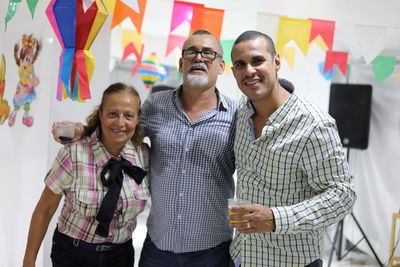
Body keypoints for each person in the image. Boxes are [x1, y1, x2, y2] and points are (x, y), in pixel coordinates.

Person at [52, 30, 237, 267]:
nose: (198, 58)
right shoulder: (156, 106)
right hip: (158, 247)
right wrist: (84, 129)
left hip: (212, 250)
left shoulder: (236, 116)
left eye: (208, 53)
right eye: (191, 52)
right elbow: (121, 129)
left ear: (221, 66)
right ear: (181, 64)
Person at [227, 30, 357, 266]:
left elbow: (342, 196)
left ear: (276, 61)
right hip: (243, 256)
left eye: (257, 60)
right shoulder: (242, 112)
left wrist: (276, 218)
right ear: (233, 70)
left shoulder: (314, 124)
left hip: (292, 261)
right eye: (240, 64)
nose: (249, 71)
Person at [23, 83, 150, 267]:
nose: (120, 122)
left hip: (121, 256)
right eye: (112, 114)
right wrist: (29, 261)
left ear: (137, 119)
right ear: (100, 114)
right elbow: (45, 210)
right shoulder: (73, 154)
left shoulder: (144, 156)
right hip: (72, 254)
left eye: (128, 116)